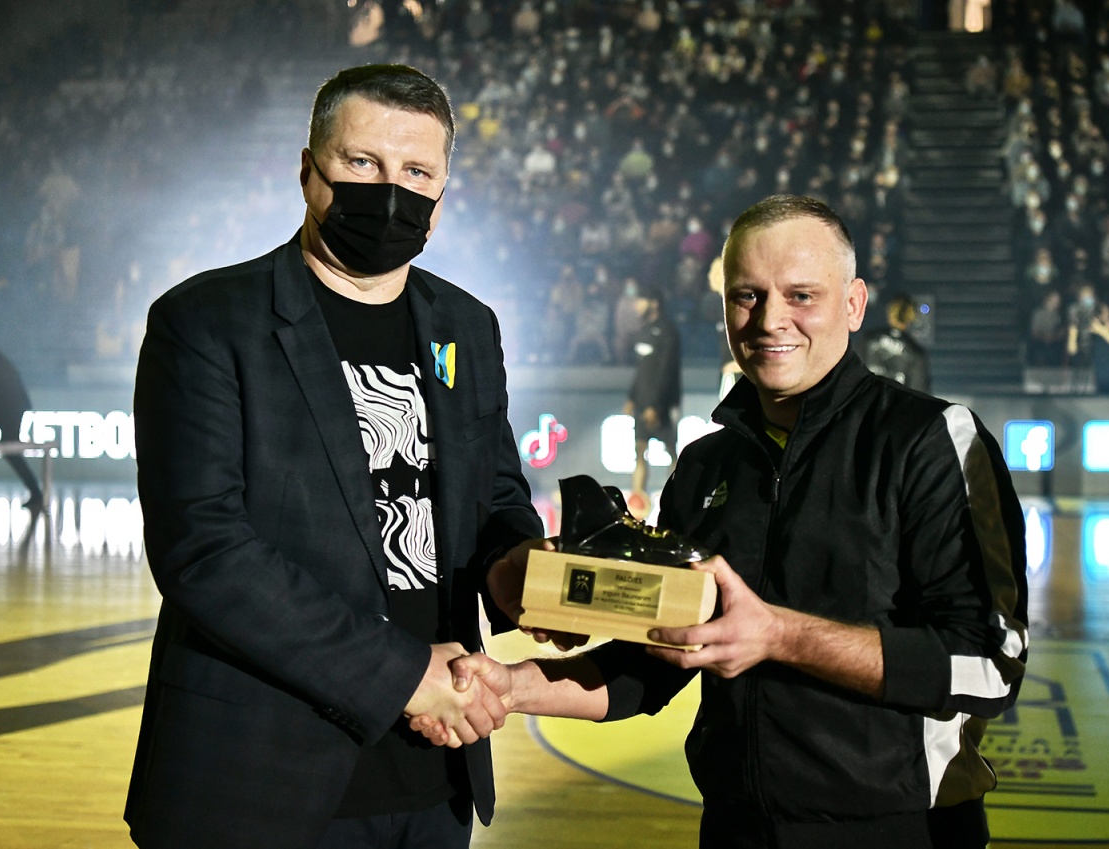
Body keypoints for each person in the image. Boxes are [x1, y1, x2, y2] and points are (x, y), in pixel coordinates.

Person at [417, 195, 1029, 848]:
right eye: (747, 296)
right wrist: (512, 686)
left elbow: (990, 663)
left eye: (801, 295)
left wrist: (779, 635)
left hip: (903, 831)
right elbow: (652, 665)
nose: (770, 319)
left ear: (854, 304)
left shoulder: (929, 440)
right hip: (736, 829)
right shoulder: (705, 466)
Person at [125, 64, 541, 849]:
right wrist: (403, 674)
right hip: (255, 781)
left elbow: (494, 497)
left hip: (435, 770)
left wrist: (522, 573)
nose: (390, 192)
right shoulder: (205, 321)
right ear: (308, 170)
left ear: (442, 193)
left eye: (416, 172)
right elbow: (204, 551)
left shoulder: (467, 324)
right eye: (362, 163)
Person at [624, 285, 681, 500]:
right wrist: (632, 397)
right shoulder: (642, 332)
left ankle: (677, 497)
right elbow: (640, 370)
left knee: (671, 451)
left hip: (662, 404)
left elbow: (668, 371)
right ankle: (637, 500)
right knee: (639, 449)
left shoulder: (668, 332)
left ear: (654, 303)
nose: (637, 306)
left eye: (641, 300)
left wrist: (656, 406)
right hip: (642, 402)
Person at [0, 346, 44, 512]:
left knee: (11, 449)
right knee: (11, 451)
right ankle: (36, 493)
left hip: (10, 407)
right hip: (11, 406)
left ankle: (36, 493)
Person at [859, 292, 931, 393]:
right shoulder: (915, 354)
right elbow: (920, 394)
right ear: (912, 317)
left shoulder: (868, 340)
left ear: (889, 313)